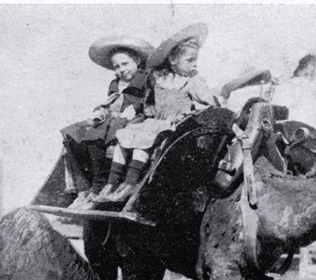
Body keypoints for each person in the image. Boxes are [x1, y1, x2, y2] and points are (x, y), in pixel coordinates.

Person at [97, 23, 218, 203]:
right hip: (155, 121)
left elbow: (211, 106)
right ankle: (111, 183)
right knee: (125, 136)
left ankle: (130, 183)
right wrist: (148, 108)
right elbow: (149, 101)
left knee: (143, 141)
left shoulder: (193, 82)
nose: (194, 64)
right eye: (190, 60)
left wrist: (192, 113)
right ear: (173, 61)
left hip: (173, 126)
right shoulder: (159, 78)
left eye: (195, 60)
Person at [61, 36, 153, 210]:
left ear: (137, 61)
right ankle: (83, 189)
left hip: (131, 119)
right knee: (72, 134)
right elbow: (108, 103)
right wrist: (99, 111)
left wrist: (135, 106)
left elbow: (150, 100)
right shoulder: (114, 83)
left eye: (125, 64)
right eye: (117, 66)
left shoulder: (145, 78)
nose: (121, 70)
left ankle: (98, 185)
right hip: (111, 119)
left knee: (96, 135)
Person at [270, 44, 316, 134]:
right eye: (310, 64)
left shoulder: (310, 88)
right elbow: (278, 115)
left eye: (314, 64)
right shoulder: (288, 87)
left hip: (309, 133)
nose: (313, 69)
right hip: (294, 133)